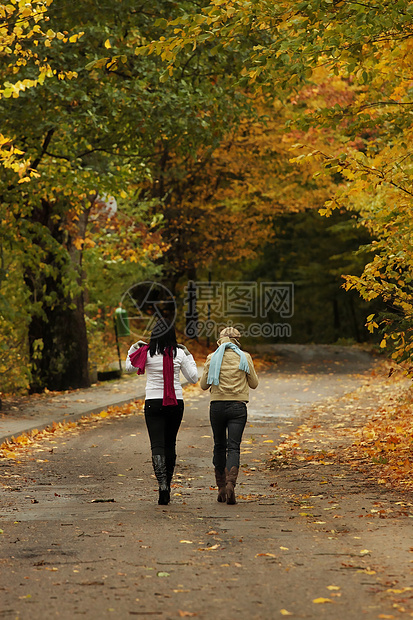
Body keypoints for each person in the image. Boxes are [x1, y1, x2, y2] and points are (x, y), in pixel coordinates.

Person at [126, 320, 198, 505]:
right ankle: (169, 484)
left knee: (157, 445)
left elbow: (129, 367)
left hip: (153, 403)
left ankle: (162, 485)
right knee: (170, 444)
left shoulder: (146, 352)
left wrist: (133, 348)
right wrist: (188, 355)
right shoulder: (179, 353)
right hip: (175, 403)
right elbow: (193, 378)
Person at [200, 326, 259, 505]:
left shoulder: (212, 357)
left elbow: (203, 385)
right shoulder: (245, 357)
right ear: (237, 340)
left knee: (219, 445)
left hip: (217, 406)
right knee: (233, 447)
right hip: (238, 407)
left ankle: (220, 489)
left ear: (221, 340)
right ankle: (231, 483)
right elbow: (254, 384)